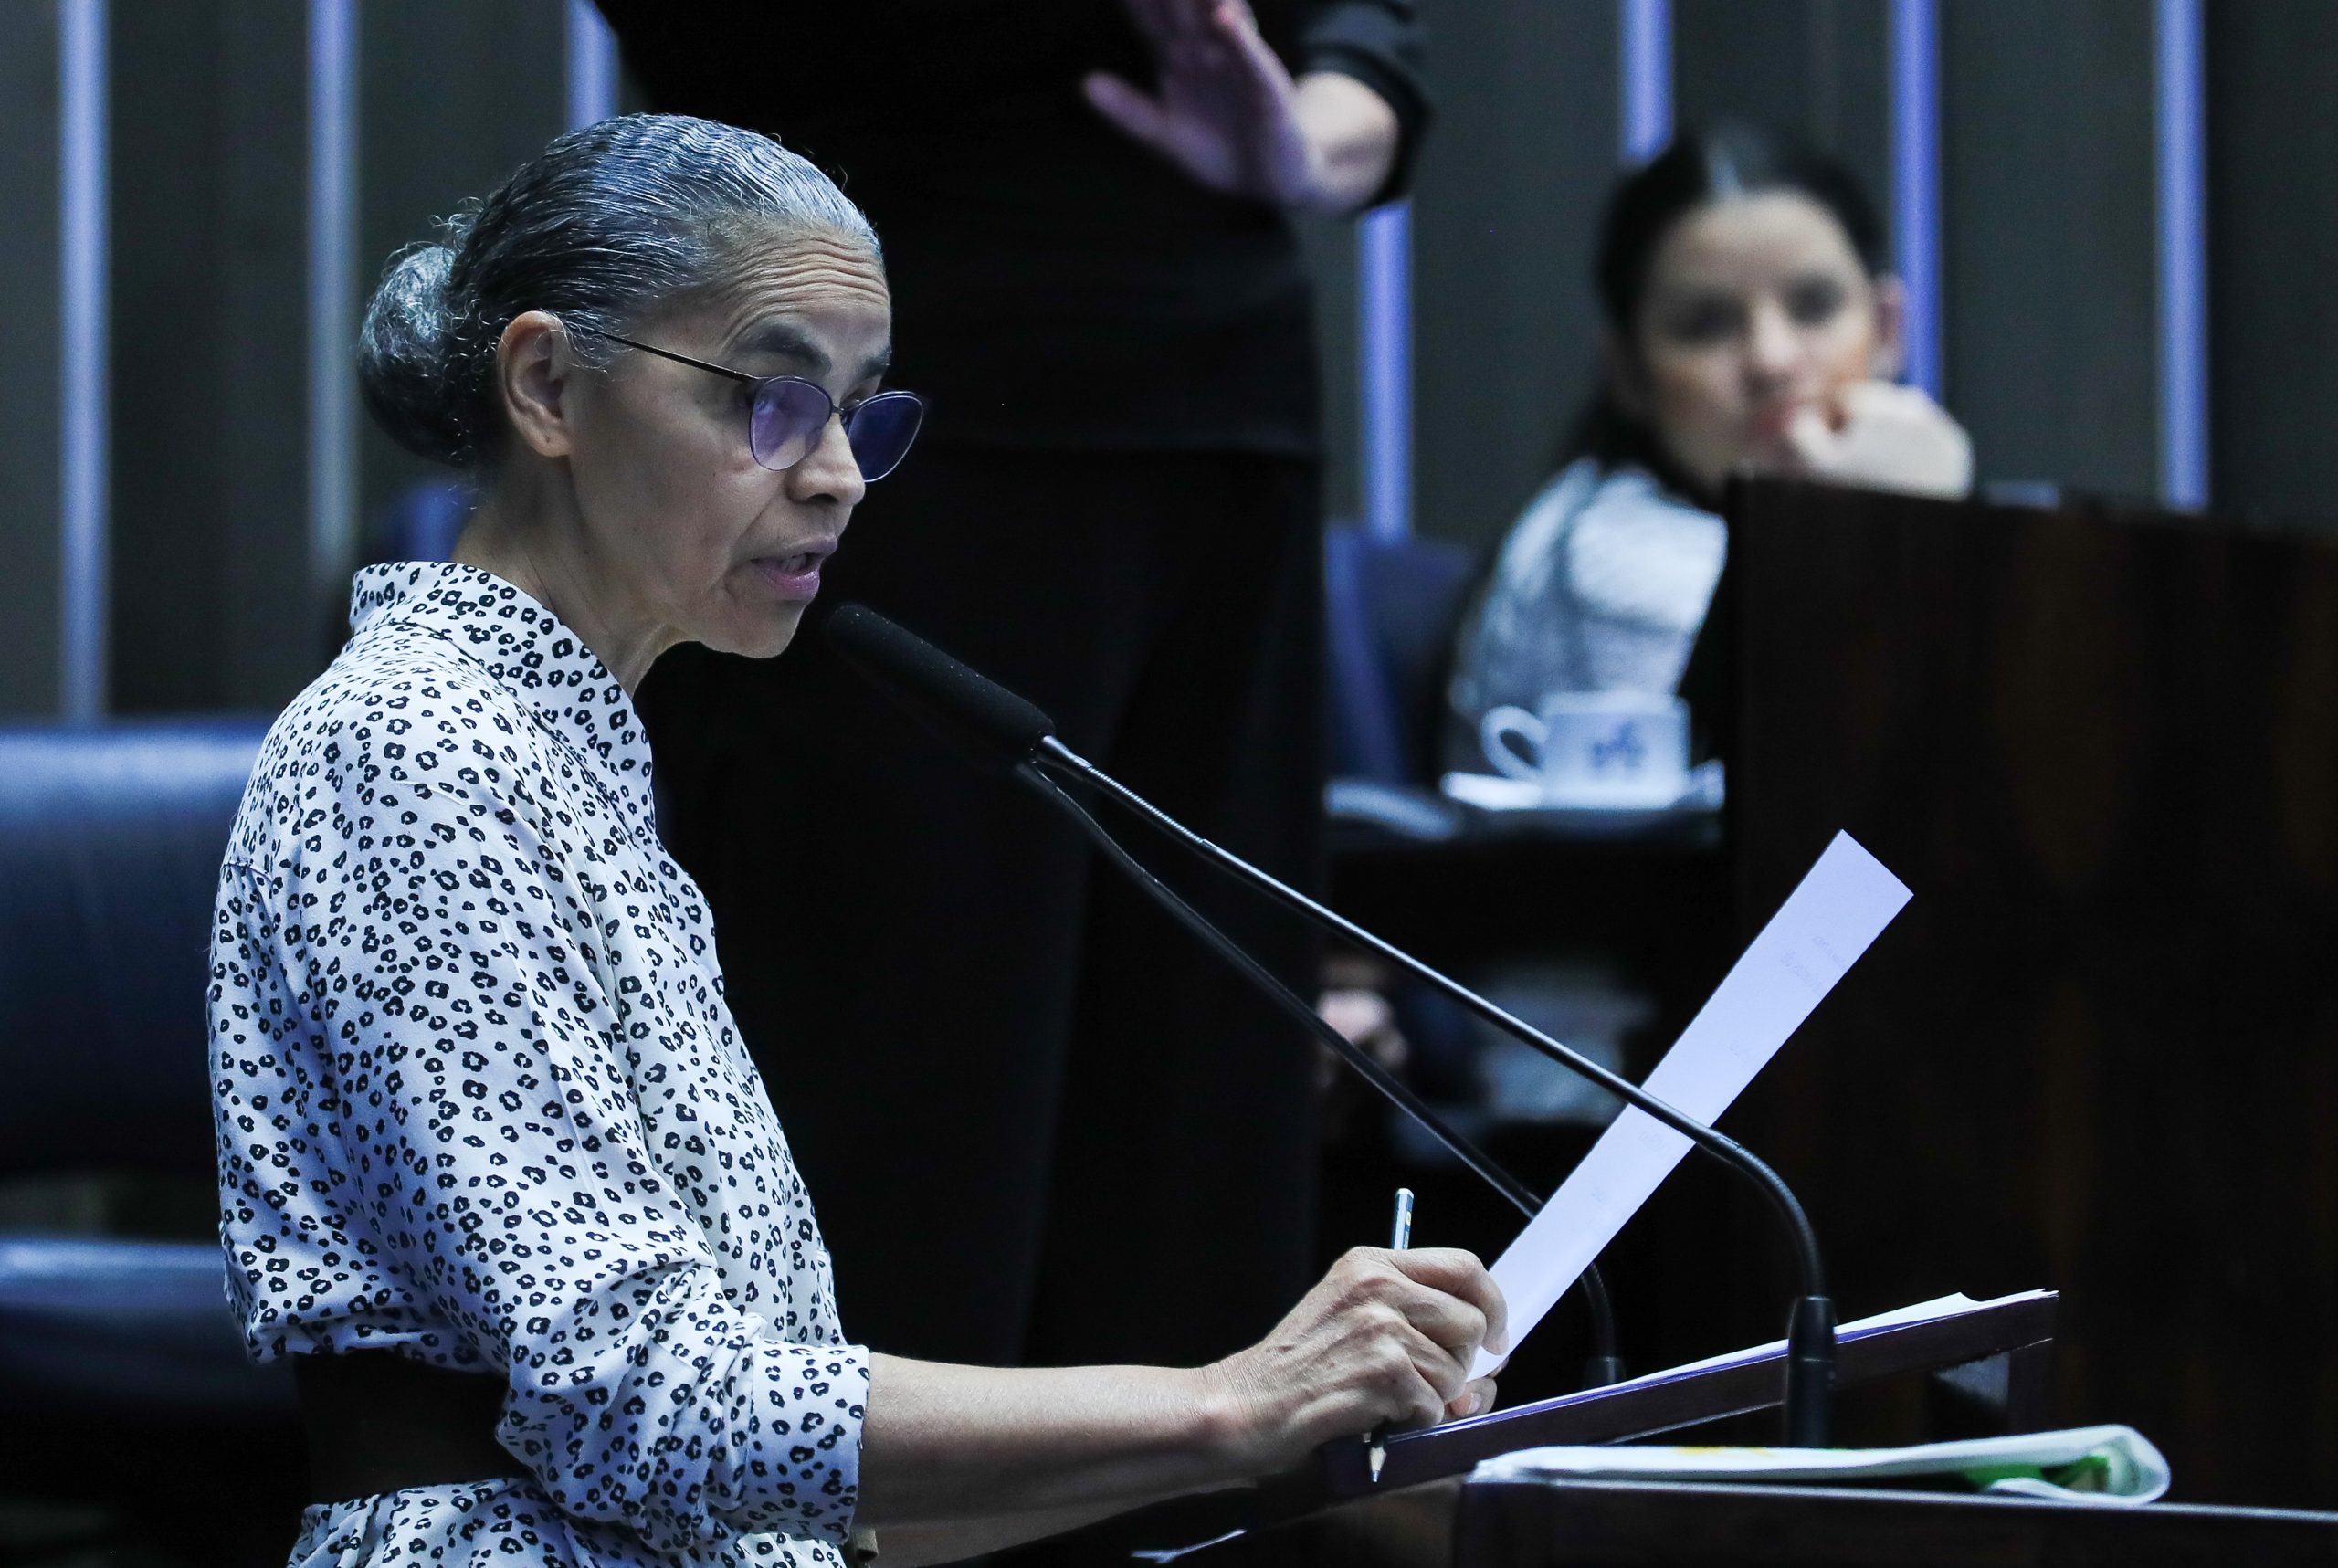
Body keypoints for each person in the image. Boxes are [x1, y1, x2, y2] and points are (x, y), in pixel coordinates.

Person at [209, 114, 1501, 1568]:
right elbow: (639, 1401)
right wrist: (1225, 1405)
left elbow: (797, 1498)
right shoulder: (416, 749)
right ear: (548, 383)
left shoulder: (568, 766)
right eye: (769, 400)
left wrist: (1285, 1446)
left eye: (858, 412)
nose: (834, 473)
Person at [595, 2, 1428, 1400]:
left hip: (1212, 398)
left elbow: (1368, 44)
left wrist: (1304, 142)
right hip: (885, 386)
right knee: (906, 1127)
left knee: (1194, 1119)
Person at [1446, 121, 1973, 767]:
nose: (1771, 361)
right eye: (1707, 324)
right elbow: (1818, 789)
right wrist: (1909, 529)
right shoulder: (1608, 558)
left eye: (1813, 306)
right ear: (1630, 373)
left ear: (1888, 328)